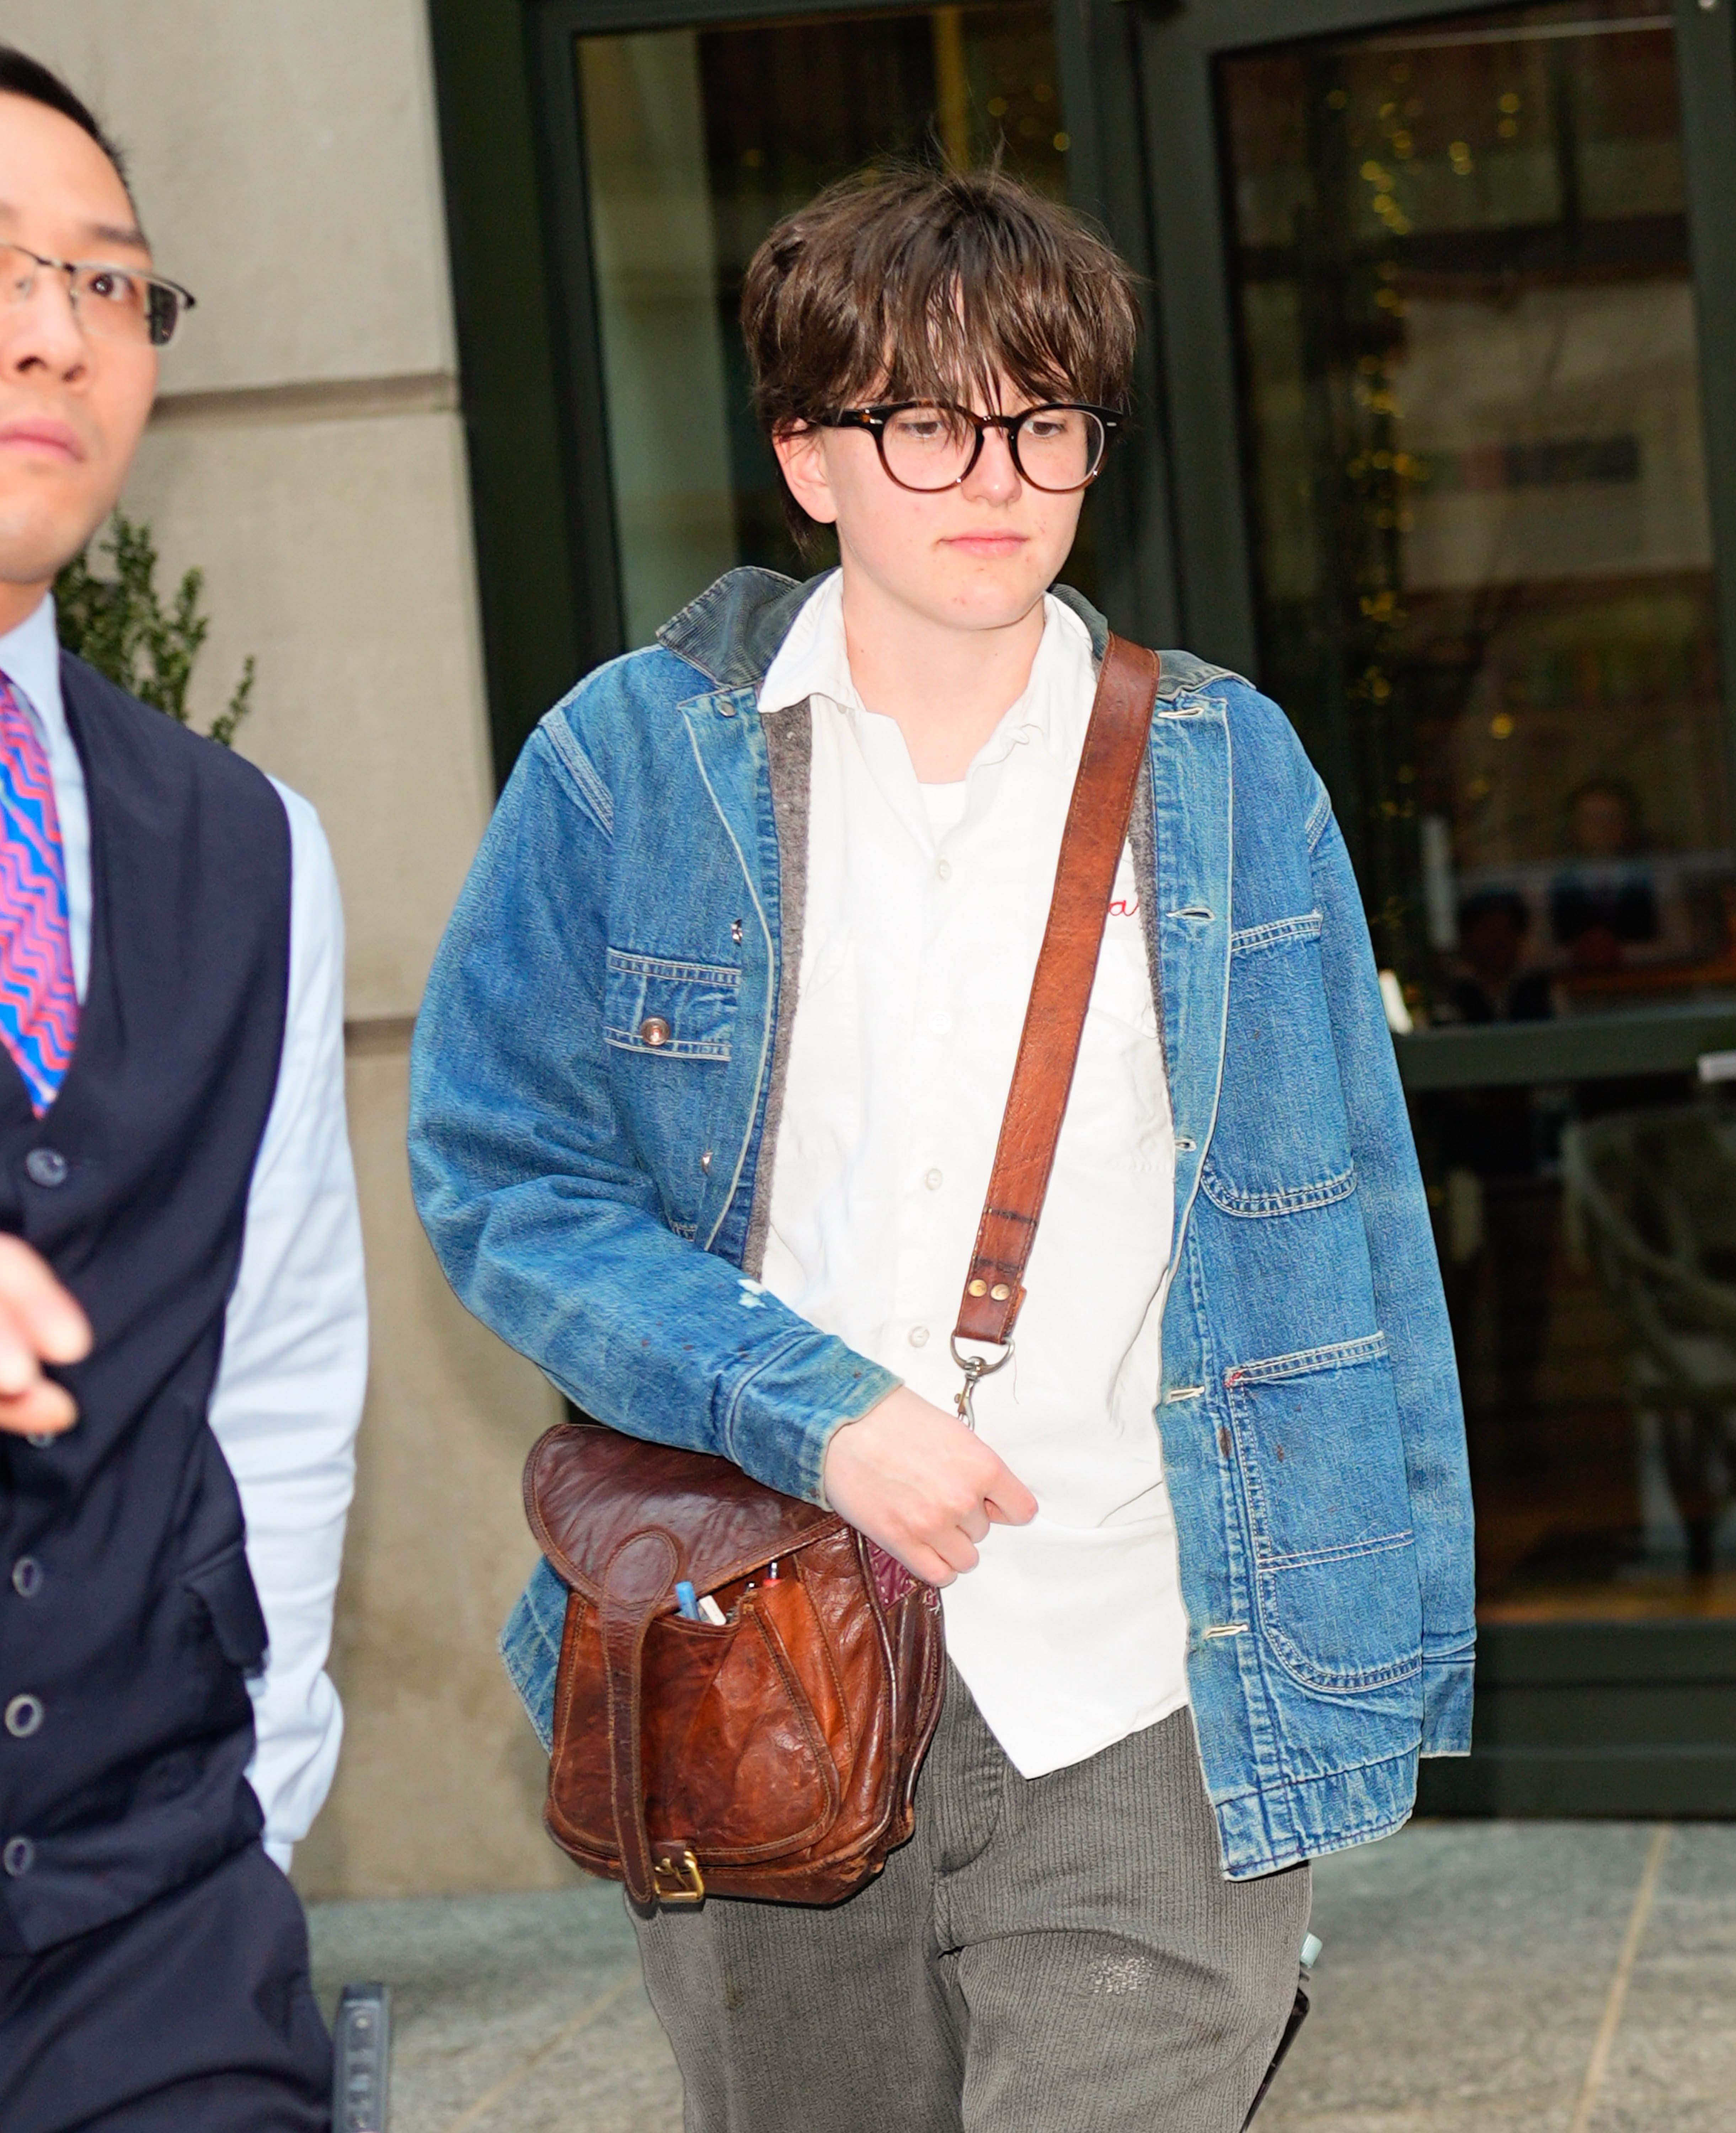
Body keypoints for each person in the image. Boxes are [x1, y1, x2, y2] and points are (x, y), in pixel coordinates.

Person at [410, 168, 1474, 2132]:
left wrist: (1378, 1642)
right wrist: (810, 1411)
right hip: (759, 1653)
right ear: (808, 455)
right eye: (925, 420)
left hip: (1146, 1667)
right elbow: (504, 1177)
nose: (995, 470)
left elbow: (1348, 1223)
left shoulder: (1224, 773)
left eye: (1044, 417)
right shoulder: (629, 766)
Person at [0, 51, 365, 2132]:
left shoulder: (248, 844)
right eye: (1, 268)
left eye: (111, 284)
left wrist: (260, 1781)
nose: (57, 329)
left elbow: (285, 1348)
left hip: (157, 1931)